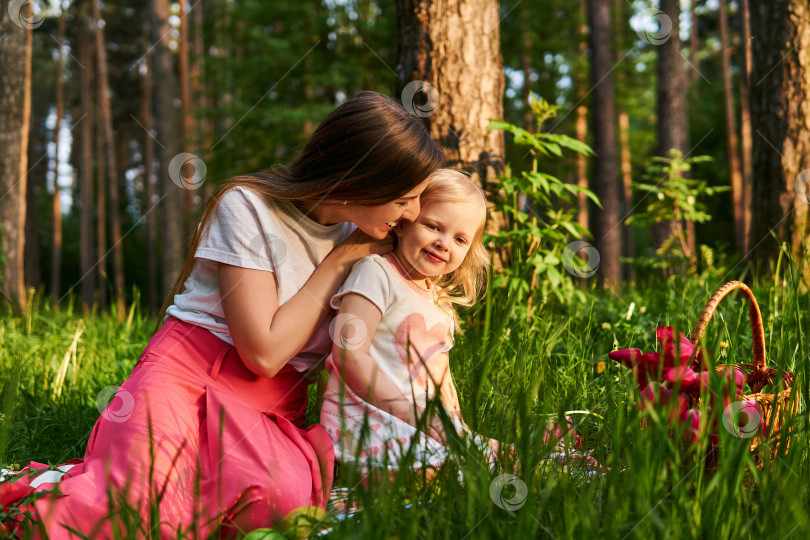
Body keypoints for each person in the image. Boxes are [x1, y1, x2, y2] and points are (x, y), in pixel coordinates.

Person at [0, 91, 444, 539]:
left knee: (277, 503)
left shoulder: (373, 237)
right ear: (363, 181)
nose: (410, 215)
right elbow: (263, 353)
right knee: (137, 514)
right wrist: (337, 262)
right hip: (186, 378)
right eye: (404, 199)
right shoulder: (247, 206)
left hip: (270, 408)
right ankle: (46, 489)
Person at [320, 169, 500, 477]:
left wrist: (457, 426)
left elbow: (440, 381)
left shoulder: (439, 304)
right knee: (446, 469)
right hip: (364, 418)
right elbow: (349, 355)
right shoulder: (377, 273)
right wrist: (412, 415)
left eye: (459, 239)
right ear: (403, 223)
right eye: (433, 226)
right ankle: (366, 481)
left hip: (419, 422)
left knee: (493, 455)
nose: (444, 243)